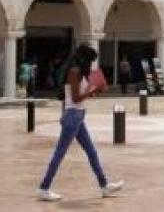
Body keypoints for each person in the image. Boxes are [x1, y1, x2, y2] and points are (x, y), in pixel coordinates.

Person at [37, 45, 124, 202]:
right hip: (73, 116)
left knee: (91, 151)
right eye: (90, 61)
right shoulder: (74, 72)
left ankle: (104, 185)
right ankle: (44, 187)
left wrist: (95, 90)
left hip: (78, 116)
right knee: (60, 153)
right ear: (84, 58)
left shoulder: (79, 72)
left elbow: (76, 96)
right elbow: (76, 98)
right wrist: (92, 91)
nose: (91, 64)